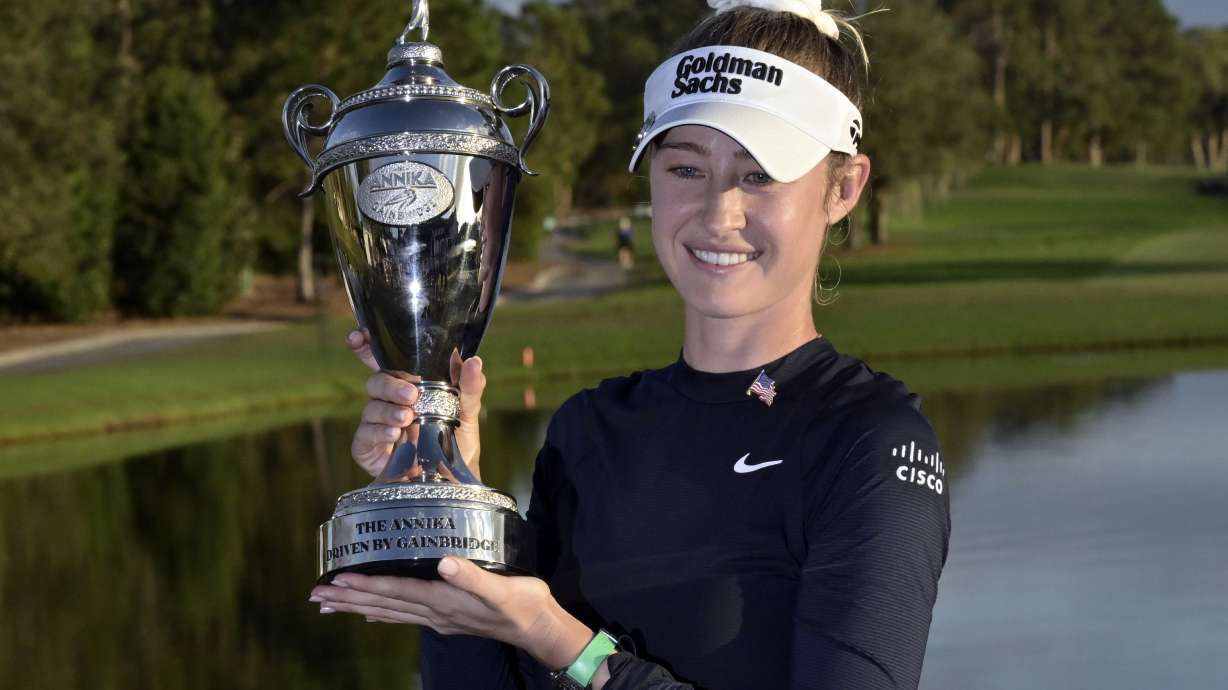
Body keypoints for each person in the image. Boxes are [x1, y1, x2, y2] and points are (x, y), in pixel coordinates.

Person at [310, 1, 951, 688]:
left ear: (844, 187)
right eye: (686, 170)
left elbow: (559, 645)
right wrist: (448, 523)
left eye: (759, 175)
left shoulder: (869, 442)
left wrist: (561, 641)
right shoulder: (589, 430)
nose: (718, 214)